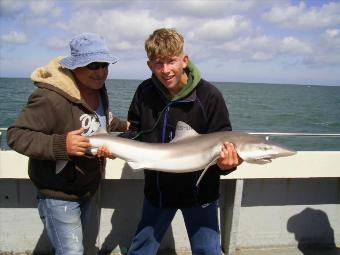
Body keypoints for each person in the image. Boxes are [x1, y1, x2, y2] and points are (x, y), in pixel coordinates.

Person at [7, 32, 128, 255]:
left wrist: (126, 126)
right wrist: (63, 145)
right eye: (93, 65)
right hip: (58, 192)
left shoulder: (98, 90)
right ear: (75, 66)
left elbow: (102, 118)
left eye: (105, 64)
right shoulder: (49, 97)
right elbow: (16, 135)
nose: (101, 72)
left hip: (87, 187)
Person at [125, 28, 243, 254]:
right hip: (158, 191)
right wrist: (113, 145)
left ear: (184, 60)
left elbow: (225, 140)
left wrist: (228, 165)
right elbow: (136, 131)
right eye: (158, 63)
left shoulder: (209, 96)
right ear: (150, 65)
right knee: (141, 250)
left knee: (209, 251)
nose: (166, 70)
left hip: (200, 193)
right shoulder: (144, 92)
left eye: (171, 61)